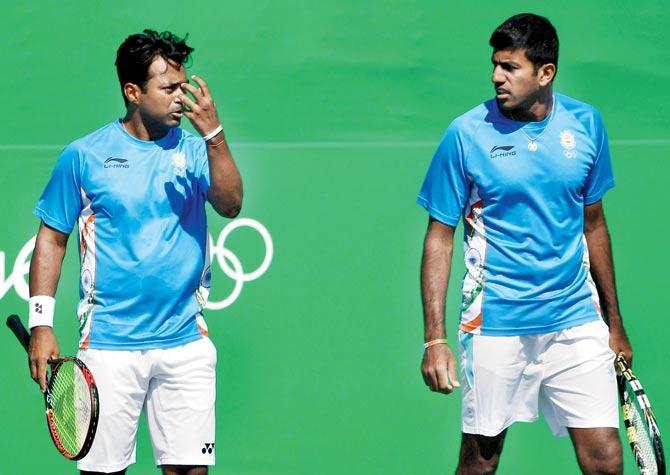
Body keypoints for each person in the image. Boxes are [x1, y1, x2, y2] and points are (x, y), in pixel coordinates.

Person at [417, 13, 632, 474]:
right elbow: (439, 237)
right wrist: (434, 338)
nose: (497, 76)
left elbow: (594, 226)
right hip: (496, 321)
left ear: (545, 73)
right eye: (495, 65)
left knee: (606, 460)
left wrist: (614, 324)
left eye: (510, 67)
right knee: (481, 462)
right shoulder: (466, 134)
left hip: (576, 318)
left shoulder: (587, 125)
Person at [27, 29, 242, 475]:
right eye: (169, 89)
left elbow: (231, 204)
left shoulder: (196, 149)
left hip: (185, 341)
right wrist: (41, 323)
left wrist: (215, 135)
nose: (182, 98)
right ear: (133, 92)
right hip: (107, 346)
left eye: (185, 87)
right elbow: (52, 238)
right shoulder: (83, 156)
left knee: (188, 471)